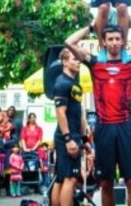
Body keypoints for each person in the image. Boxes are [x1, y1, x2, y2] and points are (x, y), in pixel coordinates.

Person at [65, 20, 131, 206]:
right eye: (110, 39)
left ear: (123, 42)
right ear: (104, 42)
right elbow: (69, 42)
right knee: (106, 182)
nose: (114, 42)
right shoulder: (95, 64)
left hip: (126, 127)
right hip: (104, 127)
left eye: (118, 39)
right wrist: (92, 27)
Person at [50, 48, 87, 206]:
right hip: (67, 136)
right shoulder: (62, 83)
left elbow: (79, 114)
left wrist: (84, 139)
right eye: (74, 59)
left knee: (60, 178)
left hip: (74, 135)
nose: (78, 61)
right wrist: (68, 139)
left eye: (79, 59)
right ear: (65, 62)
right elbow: (60, 112)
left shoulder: (74, 83)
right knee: (70, 178)